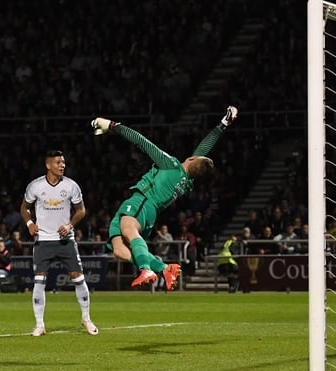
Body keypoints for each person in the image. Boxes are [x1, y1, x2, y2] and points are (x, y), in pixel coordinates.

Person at [91, 105, 238, 291]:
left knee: (128, 229)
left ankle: (144, 268)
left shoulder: (171, 166)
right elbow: (204, 149)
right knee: (119, 249)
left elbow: (142, 142)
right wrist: (223, 124)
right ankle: (164, 268)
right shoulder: (186, 181)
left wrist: (113, 125)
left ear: (192, 160)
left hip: (142, 201)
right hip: (149, 211)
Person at [20, 149, 96, 337]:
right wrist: (30, 223)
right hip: (43, 241)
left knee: (78, 278)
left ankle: (86, 319)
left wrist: (70, 224)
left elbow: (81, 210)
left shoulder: (71, 186)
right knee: (39, 281)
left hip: (65, 241)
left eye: (63, 162)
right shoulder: (35, 186)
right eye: (58, 162)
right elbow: (24, 207)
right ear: (48, 165)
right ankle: (39, 324)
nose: (62, 165)